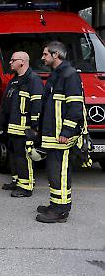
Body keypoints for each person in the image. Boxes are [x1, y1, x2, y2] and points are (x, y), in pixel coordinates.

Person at [36, 41, 86, 223]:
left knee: (60, 173)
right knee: (53, 173)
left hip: (61, 137)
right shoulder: (57, 75)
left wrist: (66, 131)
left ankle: (61, 211)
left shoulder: (69, 75)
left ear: (56, 55)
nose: (43, 58)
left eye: (45, 54)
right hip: (53, 136)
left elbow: (75, 108)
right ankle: (56, 204)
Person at [0, 51, 44, 197]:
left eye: (13, 60)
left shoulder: (33, 80)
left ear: (22, 62)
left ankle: (26, 186)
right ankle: (16, 181)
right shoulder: (15, 80)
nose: (10, 62)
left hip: (24, 128)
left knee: (23, 156)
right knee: (14, 155)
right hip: (12, 126)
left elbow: (37, 104)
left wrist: (34, 127)